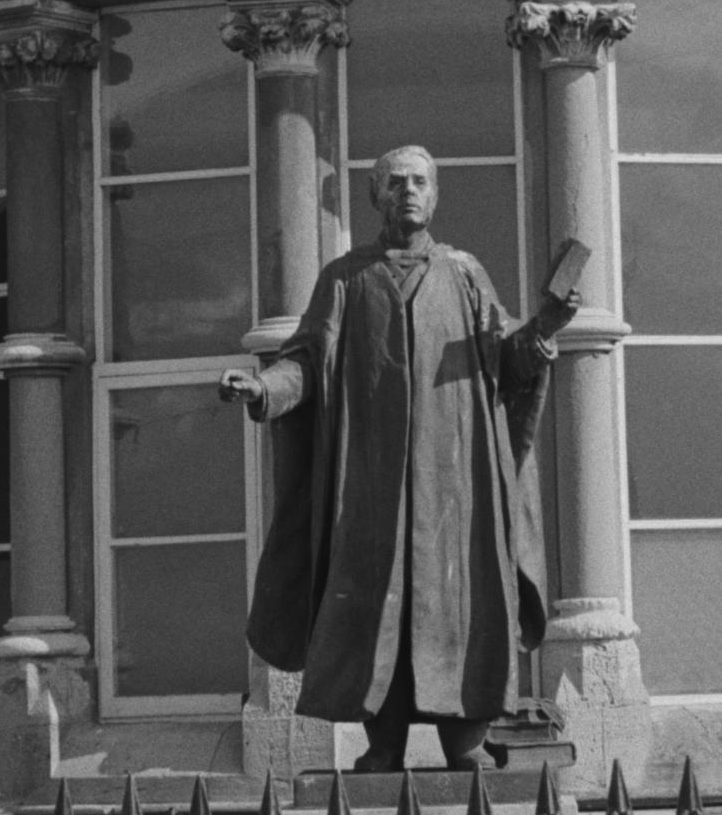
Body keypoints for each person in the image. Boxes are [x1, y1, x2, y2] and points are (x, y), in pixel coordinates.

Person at [220, 145, 580, 771]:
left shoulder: (465, 274)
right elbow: (307, 360)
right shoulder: (345, 277)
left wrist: (545, 327)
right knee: (373, 605)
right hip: (370, 483)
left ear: (435, 196)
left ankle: (464, 743)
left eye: (419, 182)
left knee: (459, 604)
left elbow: (508, 360)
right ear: (375, 197)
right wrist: (264, 389)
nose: (408, 191)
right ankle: (382, 745)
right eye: (395, 182)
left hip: (455, 484)